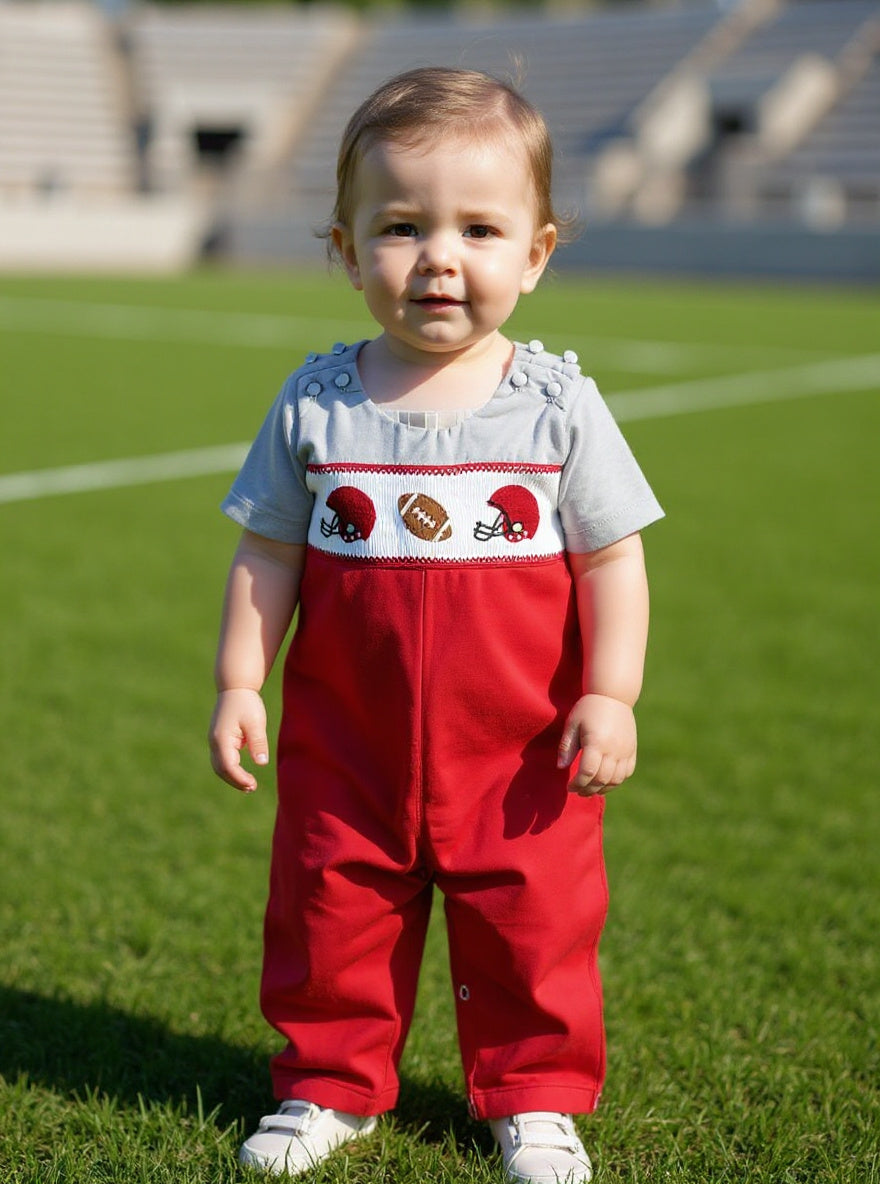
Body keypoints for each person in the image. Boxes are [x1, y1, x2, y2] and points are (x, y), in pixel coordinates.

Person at [209, 65, 663, 1183]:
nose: (439, 258)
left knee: (534, 924)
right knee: (331, 909)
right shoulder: (318, 401)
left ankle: (537, 1096)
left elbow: (612, 554)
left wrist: (611, 691)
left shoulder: (558, 407)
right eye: (402, 227)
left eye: (479, 228)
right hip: (348, 740)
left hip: (516, 749)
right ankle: (326, 1081)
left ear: (537, 253)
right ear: (345, 247)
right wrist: (237, 680)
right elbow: (268, 548)